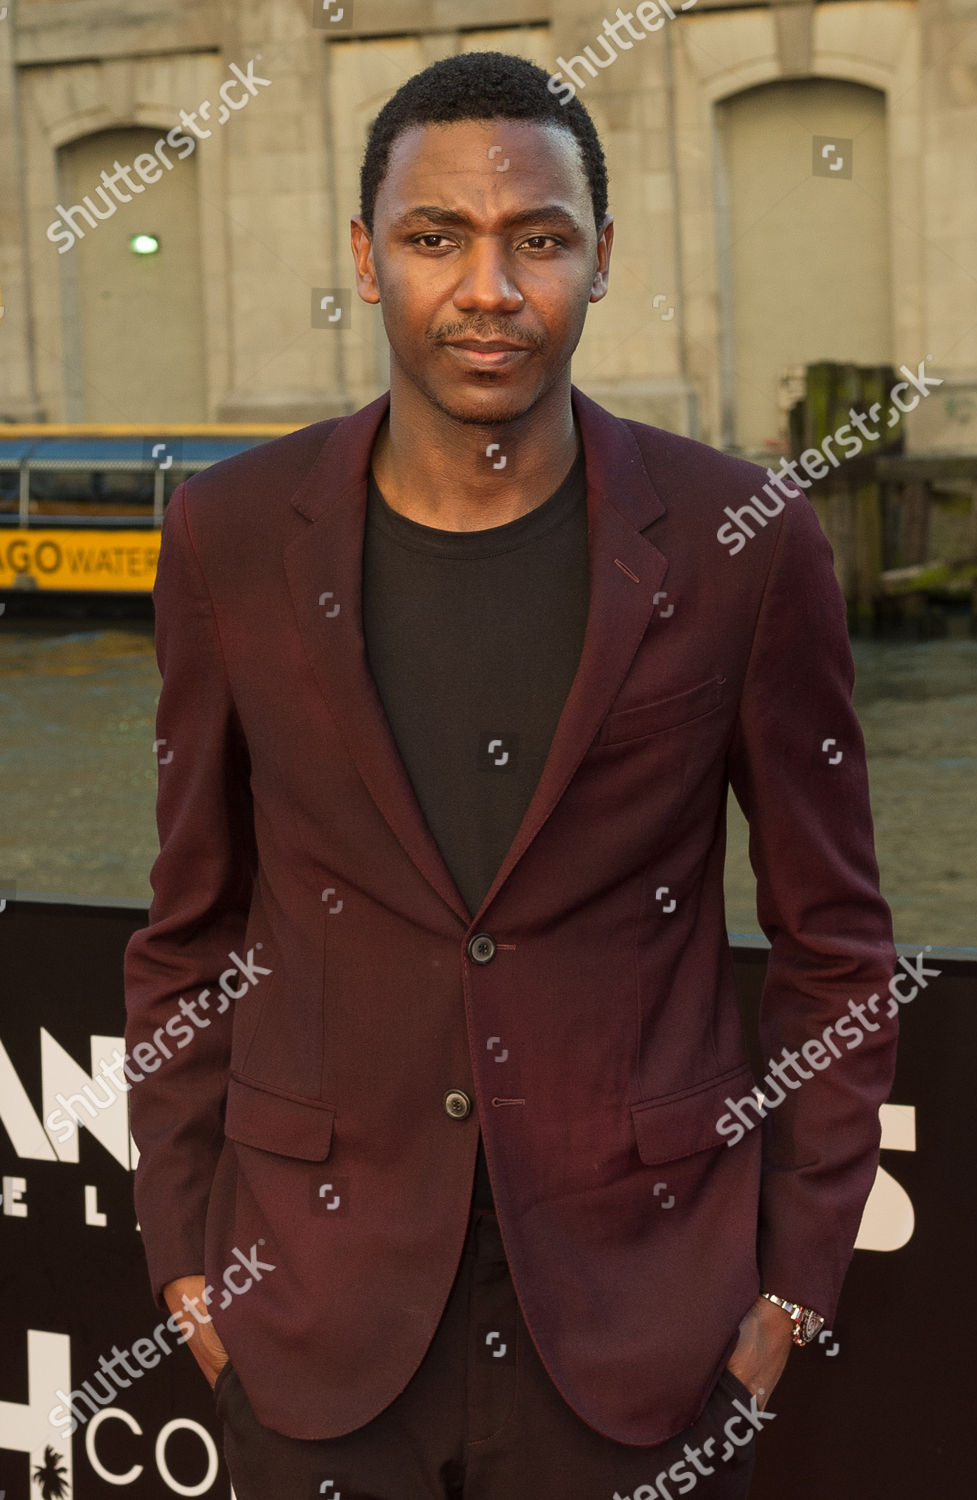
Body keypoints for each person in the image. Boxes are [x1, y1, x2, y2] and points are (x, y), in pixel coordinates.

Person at [123, 50, 898, 1500]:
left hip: (644, 1330)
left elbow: (837, 942)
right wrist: (186, 1268)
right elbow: (189, 925)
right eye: (435, 238)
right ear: (364, 257)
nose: (489, 287)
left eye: (537, 239)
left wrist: (788, 1290)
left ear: (600, 260)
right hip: (308, 1326)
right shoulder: (228, 538)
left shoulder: (744, 544)